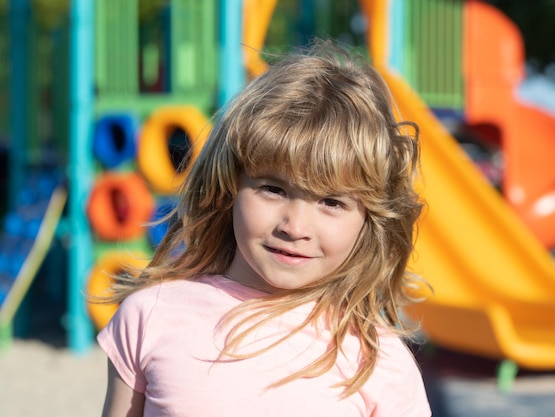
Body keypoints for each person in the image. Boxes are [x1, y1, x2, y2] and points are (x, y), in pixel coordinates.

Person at [96, 40, 431, 417]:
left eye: (332, 203)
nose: (295, 226)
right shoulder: (150, 315)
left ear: (369, 220)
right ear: (230, 186)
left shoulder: (379, 363)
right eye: (273, 189)